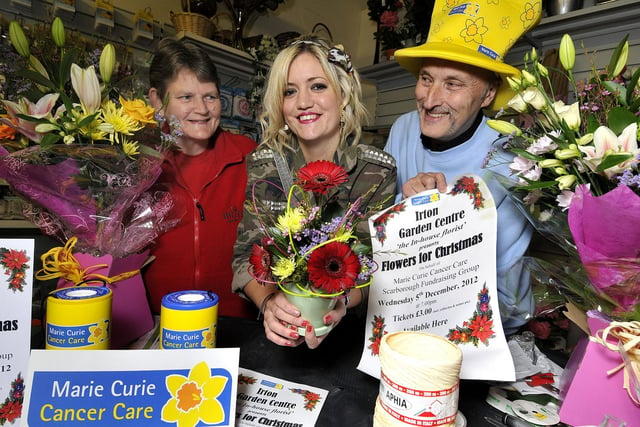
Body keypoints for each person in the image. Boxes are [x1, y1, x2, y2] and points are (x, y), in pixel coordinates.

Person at [384, 0, 542, 335]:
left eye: (453, 84)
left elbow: (506, 293)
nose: (430, 100)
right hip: (407, 317)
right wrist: (404, 207)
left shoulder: (512, 160)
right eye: (427, 79)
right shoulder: (402, 129)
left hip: (491, 329)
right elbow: (380, 236)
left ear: (488, 94)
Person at [232, 36, 397, 348]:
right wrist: (269, 305)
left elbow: (379, 269)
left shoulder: (375, 171)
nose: (303, 102)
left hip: (348, 339)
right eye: (289, 91)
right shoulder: (264, 165)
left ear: (343, 93)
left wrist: (341, 303)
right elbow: (244, 256)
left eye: (317, 86)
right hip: (278, 334)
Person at [144, 38, 258, 318]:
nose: (203, 109)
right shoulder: (137, 164)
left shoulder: (249, 156)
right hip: (157, 325)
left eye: (211, 96)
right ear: (158, 101)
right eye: (186, 97)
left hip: (236, 325)